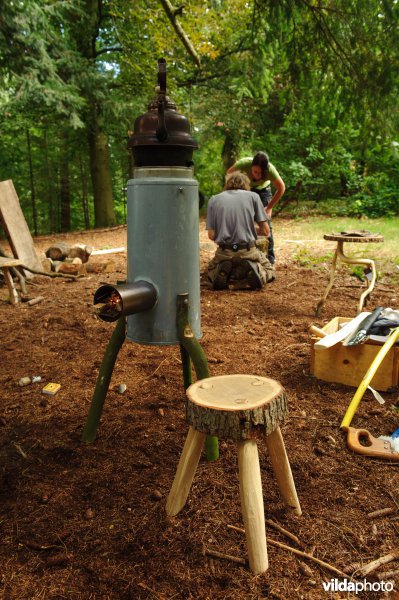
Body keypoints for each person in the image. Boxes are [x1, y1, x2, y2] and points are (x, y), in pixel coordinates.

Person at [206, 171, 275, 290]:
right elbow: (265, 231)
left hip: (224, 253)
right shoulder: (253, 197)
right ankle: (258, 273)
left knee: (209, 271)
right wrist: (248, 229)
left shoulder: (214, 199)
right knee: (269, 269)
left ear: (227, 184)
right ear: (246, 185)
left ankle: (220, 272)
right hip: (248, 251)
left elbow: (211, 235)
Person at [227, 151, 285, 264]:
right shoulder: (243, 163)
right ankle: (244, 253)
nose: (257, 175)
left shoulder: (271, 170)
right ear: (251, 166)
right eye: (255, 171)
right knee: (244, 220)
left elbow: (281, 188)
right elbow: (229, 175)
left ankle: (270, 259)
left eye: (261, 173)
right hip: (247, 189)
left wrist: (269, 207)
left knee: (265, 223)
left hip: (264, 191)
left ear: (266, 170)